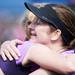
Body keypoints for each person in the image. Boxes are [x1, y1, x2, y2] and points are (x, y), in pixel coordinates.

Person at [1, 3, 75, 75]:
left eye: (39, 22)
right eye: (29, 23)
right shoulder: (28, 47)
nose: (29, 27)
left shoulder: (32, 48)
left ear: (55, 34)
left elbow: (70, 66)